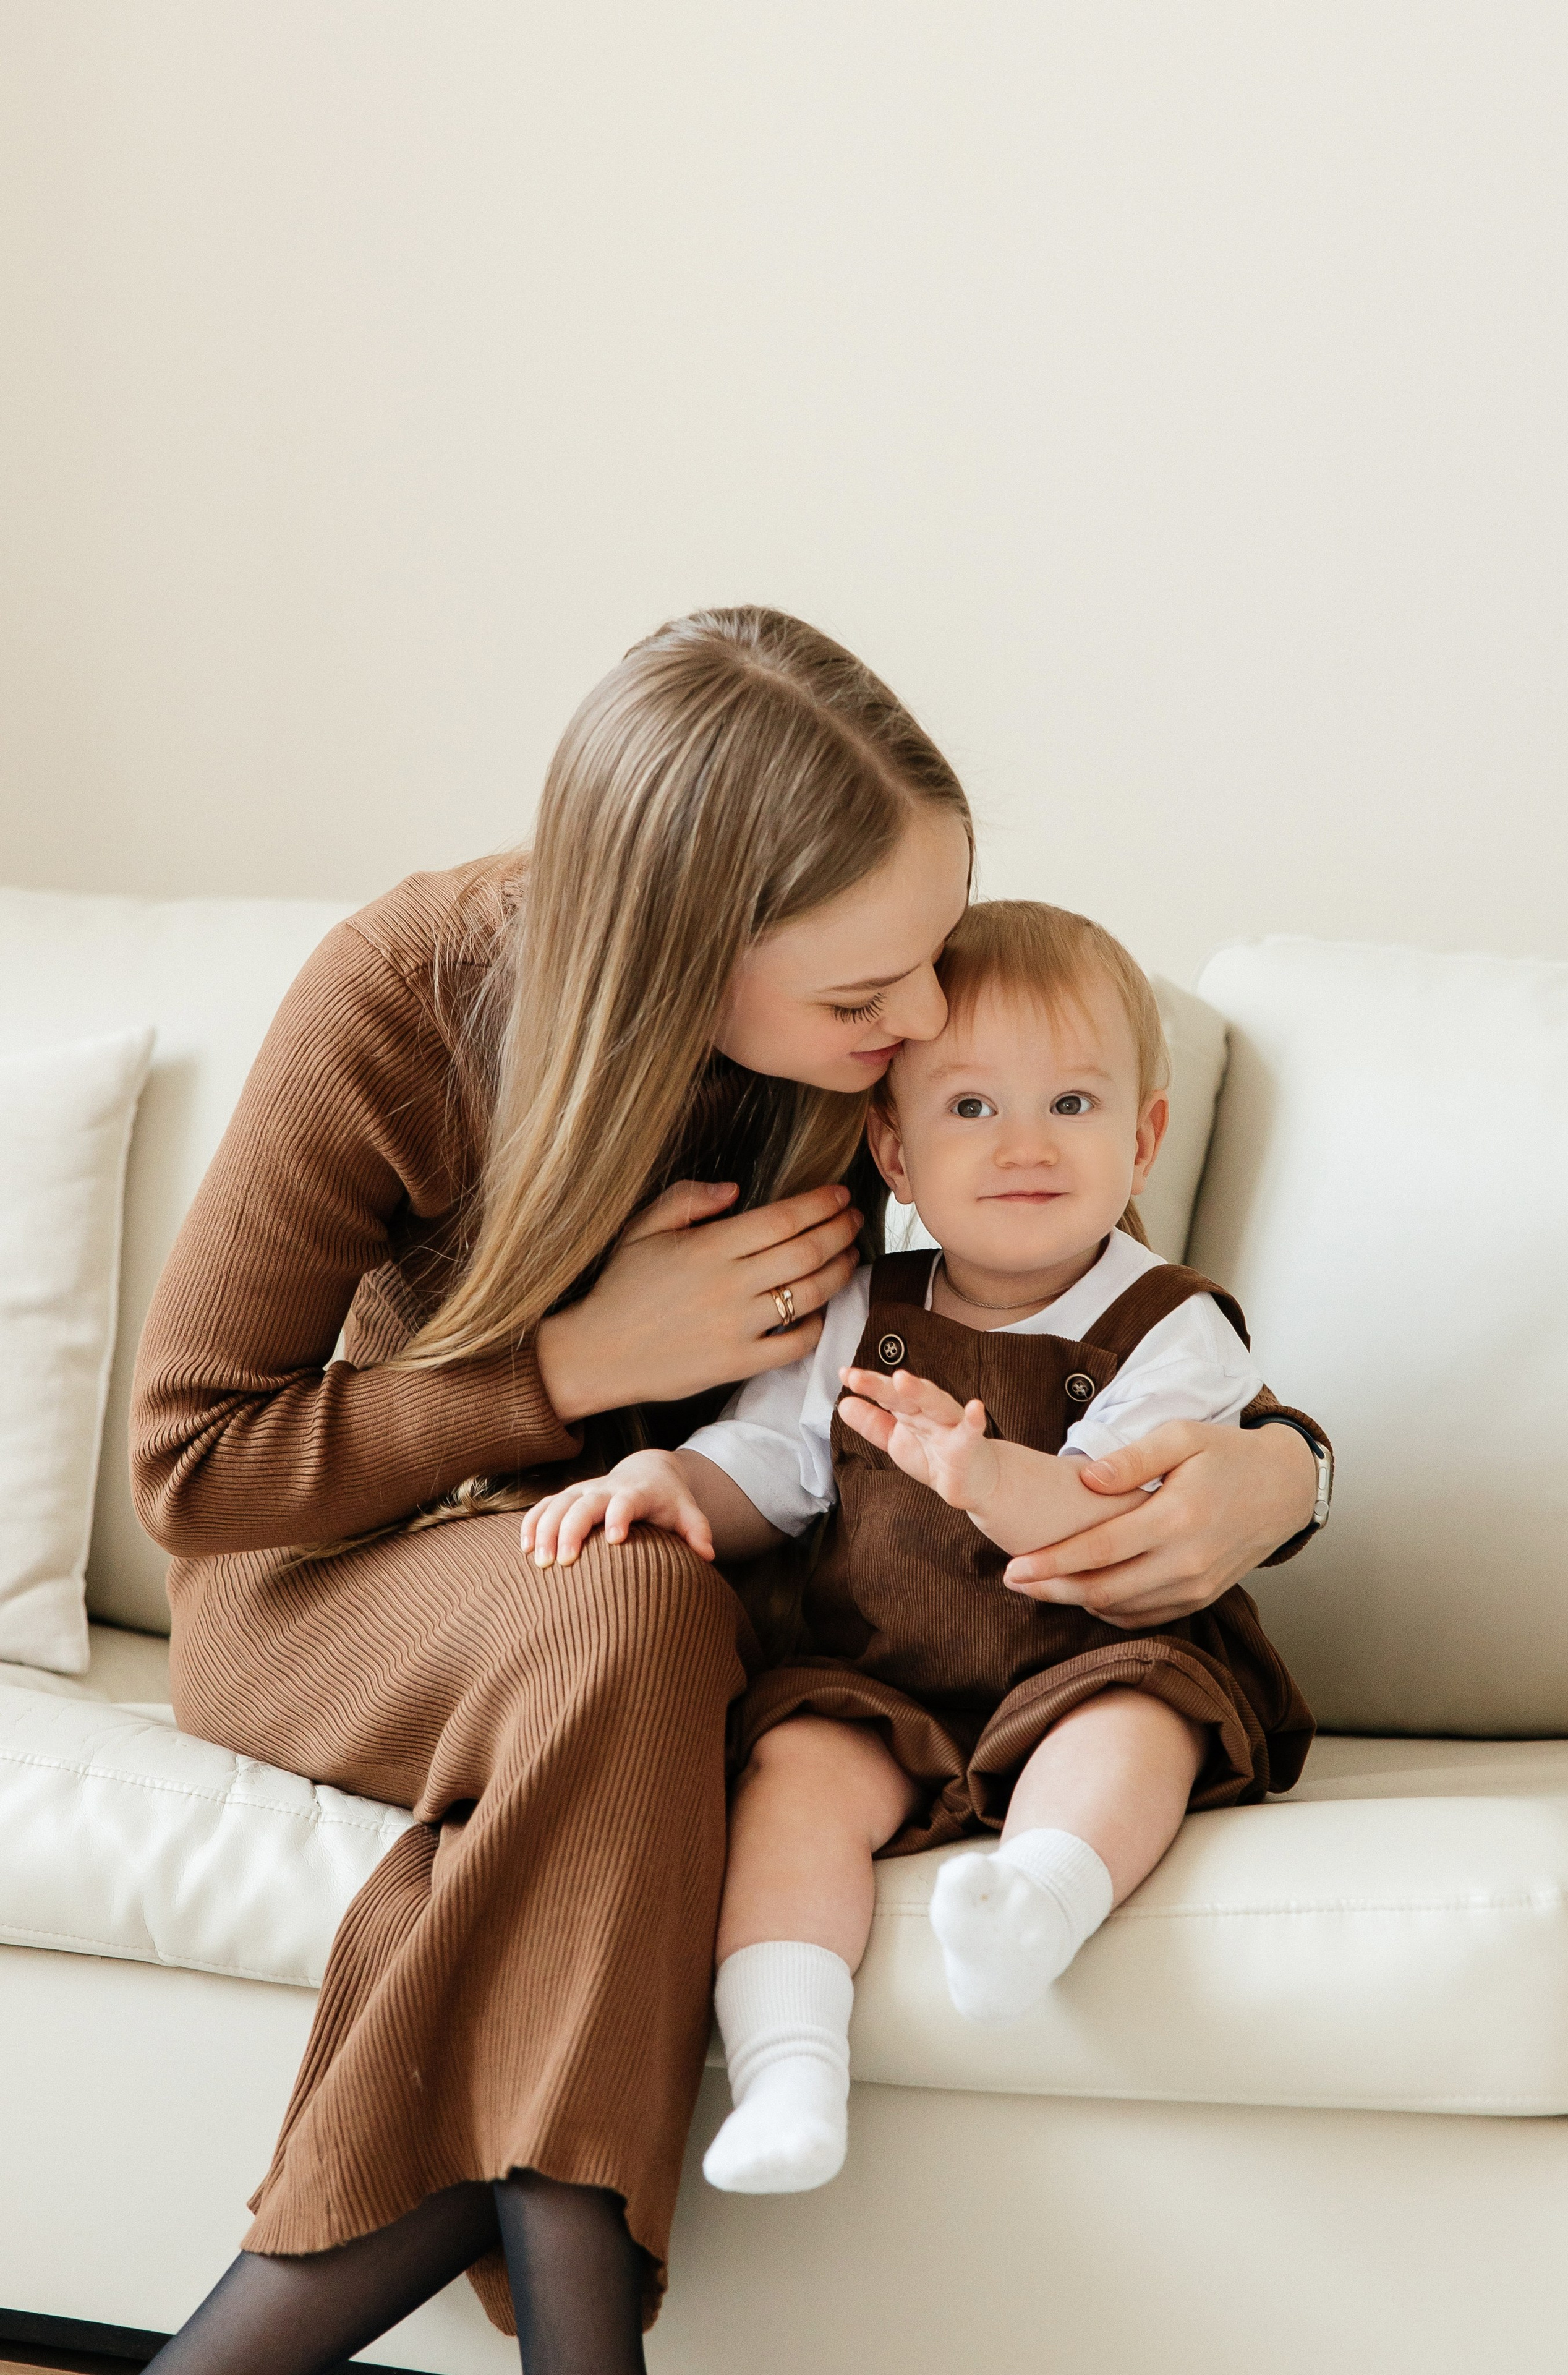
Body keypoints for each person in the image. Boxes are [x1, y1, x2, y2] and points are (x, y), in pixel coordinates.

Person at [131, 611, 1326, 2375]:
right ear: (689, 958)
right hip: (339, 1593)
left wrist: (1281, 1473)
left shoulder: (865, 1078)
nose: (918, 1020)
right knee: (643, 1609)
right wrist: (560, 1374)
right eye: (866, 998)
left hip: (654, 1621)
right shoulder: (405, 1000)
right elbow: (191, 1465)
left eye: (929, 952)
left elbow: (1082, 1297)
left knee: (651, 1638)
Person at [522, 899, 1321, 2199]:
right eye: (967, 1110)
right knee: (791, 1773)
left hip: (1091, 1653)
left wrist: (983, 1475)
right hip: (884, 1670)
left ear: (1144, 1137)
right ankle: (787, 2065)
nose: (1020, 1145)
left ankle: (1035, 1907)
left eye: (1071, 1104)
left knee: (1139, 1729)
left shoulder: (1173, 1327)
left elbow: (1113, 1513)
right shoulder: (860, 1310)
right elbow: (774, 1468)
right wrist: (669, 1480)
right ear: (890, 1148)